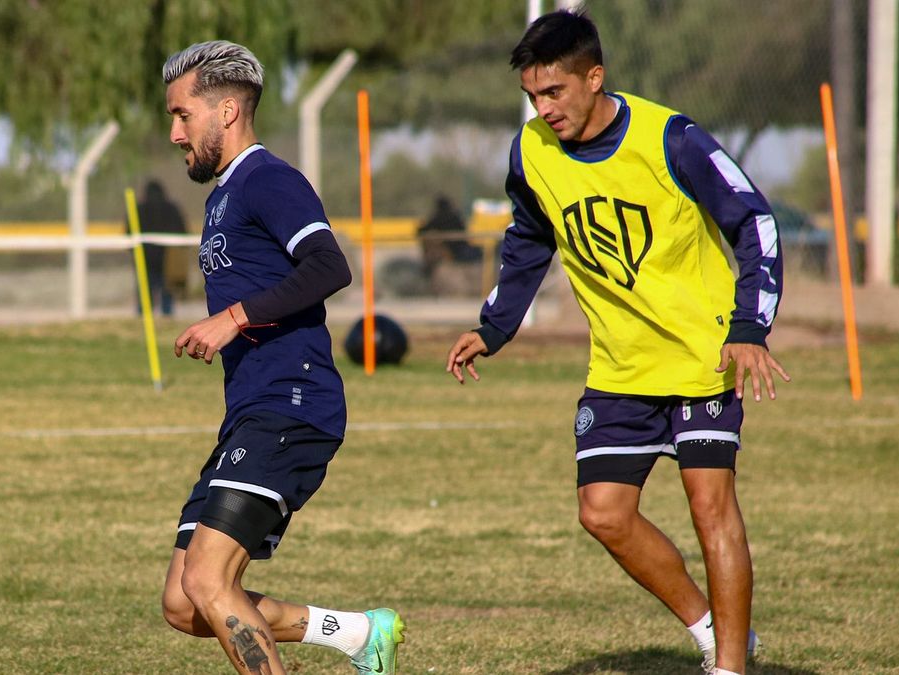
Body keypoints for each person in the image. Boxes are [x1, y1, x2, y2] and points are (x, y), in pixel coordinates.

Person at [445, 11, 788, 675]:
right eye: (532, 97)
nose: (543, 110)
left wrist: (749, 327)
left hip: (702, 355)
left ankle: (729, 669)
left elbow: (755, 221)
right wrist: (492, 326)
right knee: (603, 512)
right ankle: (716, 629)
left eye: (554, 93)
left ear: (594, 77)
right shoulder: (532, 153)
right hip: (621, 364)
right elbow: (527, 237)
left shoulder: (672, 138)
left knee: (709, 504)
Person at [159, 40, 405, 675]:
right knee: (186, 601)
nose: (174, 132)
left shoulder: (268, 180)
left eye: (184, 115)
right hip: (251, 412)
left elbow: (329, 266)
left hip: (291, 407)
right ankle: (356, 634)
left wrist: (231, 319)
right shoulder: (222, 195)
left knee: (211, 580)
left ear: (229, 111)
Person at [135, 179, 187, 316]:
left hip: (144, 259)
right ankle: (166, 316)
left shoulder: (139, 209)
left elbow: (130, 234)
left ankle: (143, 316)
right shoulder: (172, 209)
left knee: (144, 296)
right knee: (167, 294)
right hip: (168, 259)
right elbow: (182, 231)